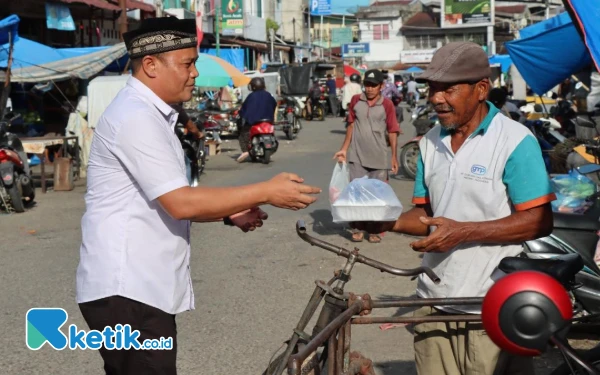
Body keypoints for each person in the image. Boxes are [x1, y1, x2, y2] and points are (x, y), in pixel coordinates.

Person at [76, 18, 321, 375]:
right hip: (127, 289)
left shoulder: (154, 114)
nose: (194, 73)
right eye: (187, 64)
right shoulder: (135, 116)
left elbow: (172, 195)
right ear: (150, 65)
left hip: (138, 288)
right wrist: (266, 191)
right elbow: (180, 203)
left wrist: (228, 212)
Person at [354, 42, 556, 375]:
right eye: (432, 88)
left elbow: (539, 220)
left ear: (481, 89)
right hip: (432, 299)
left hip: (490, 305)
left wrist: (464, 232)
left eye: (448, 89)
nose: (435, 98)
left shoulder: (515, 141)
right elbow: (427, 217)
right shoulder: (430, 142)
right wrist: (386, 223)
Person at [333, 69, 400, 244]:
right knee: (356, 193)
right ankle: (357, 228)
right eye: (367, 85)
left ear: (381, 86)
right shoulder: (356, 101)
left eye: (373, 85)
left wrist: (394, 156)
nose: (369, 89)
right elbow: (351, 126)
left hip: (379, 156)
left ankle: (374, 230)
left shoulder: (387, 105)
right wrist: (344, 149)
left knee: (376, 195)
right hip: (357, 155)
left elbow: (393, 131)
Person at [236, 77, 277, 162]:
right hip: (268, 121)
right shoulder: (268, 95)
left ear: (253, 87)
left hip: (254, 121)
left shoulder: (251, 96)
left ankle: (245, 151)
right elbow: (274, 104)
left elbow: (244, 110)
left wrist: (240, 114)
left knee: (243, 133)